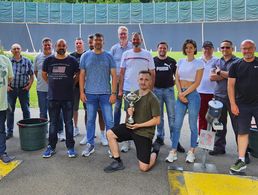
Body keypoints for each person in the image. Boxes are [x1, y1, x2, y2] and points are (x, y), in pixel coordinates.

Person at [104, 70, 160, 173]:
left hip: (144, 133)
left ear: (150, 82)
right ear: (137, 80)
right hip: (131, 128)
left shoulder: (153, 99)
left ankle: (155, 150)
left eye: (146, 80)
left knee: (144, 168)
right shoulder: (133, 95)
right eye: (141, 79)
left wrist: (139, 125)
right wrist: (130, 112)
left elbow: (157, 120)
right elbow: (130, 114)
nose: (143, 82)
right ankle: (117, 161)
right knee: (110, 133)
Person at [79, 33, 117, 157]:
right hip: (90, 94)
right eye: (96, 40)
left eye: (100, 40)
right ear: (92, 42)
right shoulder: (85, 56)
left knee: (109, 121)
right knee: (90, 120)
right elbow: (82, 75)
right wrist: (81, 92)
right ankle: (90, 145)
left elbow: (114, 76)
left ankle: (112, 147)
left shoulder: (109, 56)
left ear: (103, 42)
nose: (98, 42)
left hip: (106, 94)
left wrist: (113, 93)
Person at [167, 39, 204, 163]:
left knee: (193, 125)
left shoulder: (199, 63)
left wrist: (184, 94)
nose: (189, 49)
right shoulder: (181, 61)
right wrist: (180, 93)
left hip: (192, 95)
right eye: (187, 47)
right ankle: (173, 151)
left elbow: (197, 82)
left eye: (191, 47)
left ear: (194, 49)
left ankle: (192, 151)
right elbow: (176, 78)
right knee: (177, 124)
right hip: (181, 94)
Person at [42, 39, 79, 158]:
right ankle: (51, 147)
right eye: (59, 45)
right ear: (56, 47)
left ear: (66, 46)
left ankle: (70, 147)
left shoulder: (72, 61)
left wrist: (71, 84)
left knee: (68, 123)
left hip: (68, 97)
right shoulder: (49, 60)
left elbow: (78, 75)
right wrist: (51, 84)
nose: (61, 47)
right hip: (53, 97)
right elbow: (43, 74)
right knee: (53, 123)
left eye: (63, 45)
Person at [119, 32, 155, 153]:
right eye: (134, 39)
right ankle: (126, 141)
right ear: (131, 40)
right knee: (129, 115)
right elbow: (122, 73)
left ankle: (144, 140)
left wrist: (151, 89)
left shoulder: (147, 54)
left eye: (137, 39)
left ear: (141, 40)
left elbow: (152, 73)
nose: (135, 41)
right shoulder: (126, 54)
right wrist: (120, 89)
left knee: (144, 115)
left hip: (144, 90)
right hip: (128, 90)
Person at [228, 40, 258, 172]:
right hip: (242, 105)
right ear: (240, 50)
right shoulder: (235, 65)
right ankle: (241, 160)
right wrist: (233, 104)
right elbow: (230, 86)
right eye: (244, 49)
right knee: (242, 133)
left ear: (254, 48)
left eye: (249, 48)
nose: (247, 51)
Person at [153, 42, 185, 153]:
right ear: (157, 49)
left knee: (172, 116)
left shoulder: (172, 61)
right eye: (160, 48)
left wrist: (179, 90)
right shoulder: (153, 61)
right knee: (159, 116)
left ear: (167, 49)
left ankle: (174, 140)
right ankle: (160, 137)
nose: (162, 49)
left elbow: (177, 77)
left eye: (164, 48)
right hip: (156, 91)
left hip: (169, 91)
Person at [209, 40, 240, 156]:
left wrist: (219, 72)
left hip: (234, 98)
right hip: (219, 97)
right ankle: (219, 147)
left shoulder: (238, 62)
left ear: (232, 48)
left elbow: (237, 77)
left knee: (238, 126)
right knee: (219, 125)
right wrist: (227, 75)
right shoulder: (216, 61)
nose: (224, 49)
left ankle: (242, 151)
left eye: (227, 47)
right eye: (222, 48)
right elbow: (211, 77)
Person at [79, 35, 108, 146]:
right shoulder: (85, 56)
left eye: (94, 41)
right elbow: (82, 74)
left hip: (101, 90)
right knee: (88, 114)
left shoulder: (104, 55)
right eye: (90, 42)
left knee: (101, 113)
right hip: (89, 90)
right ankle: (88, 135)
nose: (92, 44)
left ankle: (102, 135)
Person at [34, 38, 65, 142]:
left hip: (55, 90)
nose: (47, 46)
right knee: (43, 112)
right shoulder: (37, 57)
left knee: (57, 112)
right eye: (45, 45)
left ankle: (60, 131)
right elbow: (36, 72)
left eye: (49, 45)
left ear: (52, 46)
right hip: (41, 90)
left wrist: (51, 84)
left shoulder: (55, 57)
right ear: (42, 46)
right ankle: (45, 132)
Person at [6, 43, 34, 139]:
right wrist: (6, 86)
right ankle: (9, 132)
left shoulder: (27, 61)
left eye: (18, 48)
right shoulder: (8, 61)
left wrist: (29, 86)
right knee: (10, 111)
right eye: (14, 49)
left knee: (26, 110)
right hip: (11, 90)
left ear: (21, 49)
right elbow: (3, 76)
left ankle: (28, 130)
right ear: (11, 50)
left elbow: (32, 75)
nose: (16, 50)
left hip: (23, 90)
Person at [110, 26, 133, 127]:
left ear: (127, 34)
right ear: (118, 35)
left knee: (129, 107)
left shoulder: (133, 47)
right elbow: (110, 65)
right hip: (117, 81)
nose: (123, 35)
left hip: (129, 82)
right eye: (121, 34)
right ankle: (116, 128)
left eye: (124, 33)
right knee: (117, 107)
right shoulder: (114, 49)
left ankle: (128, 128)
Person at [197, 41, 217, 134]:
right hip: (200, 92)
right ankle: (201, 136)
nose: (207, 50)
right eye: (205, 48)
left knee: (215, 117)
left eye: (209, 48)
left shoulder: (217, 61)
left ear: (213, 49)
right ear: (202, 49)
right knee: (202, 116)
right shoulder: (197, 61)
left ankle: (213, 137)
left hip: (214, 93)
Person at [0, 54, 15, 163]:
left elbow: (10, 77)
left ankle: (2, 153)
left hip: (1, 103)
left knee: (1, 130)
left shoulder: (5, 60)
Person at [70, 37, 85, 137]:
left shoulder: (87, 54)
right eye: (77, 43)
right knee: (74, 108)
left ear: (83, 45)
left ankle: (89, 129)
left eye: (80, 43)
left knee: (88, 109)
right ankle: (75, 127)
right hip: (75, 86)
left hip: (86, 87)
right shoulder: (71, 56)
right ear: (75, 45)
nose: (78, 45)